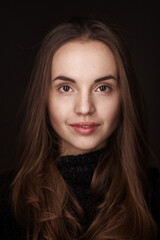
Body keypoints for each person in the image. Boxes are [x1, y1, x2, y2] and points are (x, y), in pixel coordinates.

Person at [0, 16, 160, 240]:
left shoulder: (153, 194)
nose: (85, 108)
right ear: (44, 98)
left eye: (102, 87)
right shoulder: (6, 200)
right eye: (66, 88)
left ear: (124, 98)